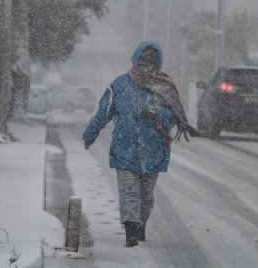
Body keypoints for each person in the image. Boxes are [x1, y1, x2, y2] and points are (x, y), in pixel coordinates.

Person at [81, 40, 206, 247]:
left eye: (152, 62)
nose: (148, 66)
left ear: (158, 64)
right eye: (144, 61)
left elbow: (174, 118)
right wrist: (90, 134)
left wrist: (156, 112)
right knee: (129, 191)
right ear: (136, 60)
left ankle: (140, 225)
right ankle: (131, 230)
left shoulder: (164, 88)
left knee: (146, 196)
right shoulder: (119, 86)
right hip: (124, 149)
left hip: (154, 151)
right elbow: (103, 112)